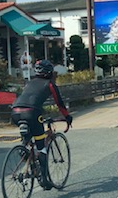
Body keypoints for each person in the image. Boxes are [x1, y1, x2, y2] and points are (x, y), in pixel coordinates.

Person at [11, 60, 72, 190]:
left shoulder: (29, 83)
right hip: (32, 113)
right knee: (41, 147)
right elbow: (60, 103)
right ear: (50, 72)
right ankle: (44, 180)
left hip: (15, 112)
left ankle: (25, 150)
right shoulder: (50, 85)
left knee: (27, 138)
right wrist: (67, 117)